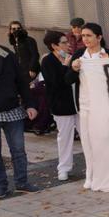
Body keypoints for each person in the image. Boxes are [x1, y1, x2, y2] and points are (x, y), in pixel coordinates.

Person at [65, 23, 109, 190]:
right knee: (87, 141)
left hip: (106, 106)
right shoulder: (80, 55)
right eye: (83, 36)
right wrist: (73, 69)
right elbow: (67, 80)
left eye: (89, 35)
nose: (85, 39)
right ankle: (91, 174)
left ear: (99, 37)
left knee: (107, 139)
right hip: (86, 105)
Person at [0, 41, 39, 198]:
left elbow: (22, 81)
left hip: (12, 109)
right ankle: (0, 186)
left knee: (18, 150)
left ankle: (22, 182)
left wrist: (31, 105)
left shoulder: (6, 54)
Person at [40, 31, 77, 182]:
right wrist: (65, 66)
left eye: (67, 42)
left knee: (87, 136)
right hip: (61, 105)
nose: (67, 44)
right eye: (63, 42)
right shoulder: (48, 61)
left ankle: (94, 166)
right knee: (65, 138)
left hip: (78, 103)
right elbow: (55, 83)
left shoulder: (72, 57)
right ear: (54, 45)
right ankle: (64, 168)